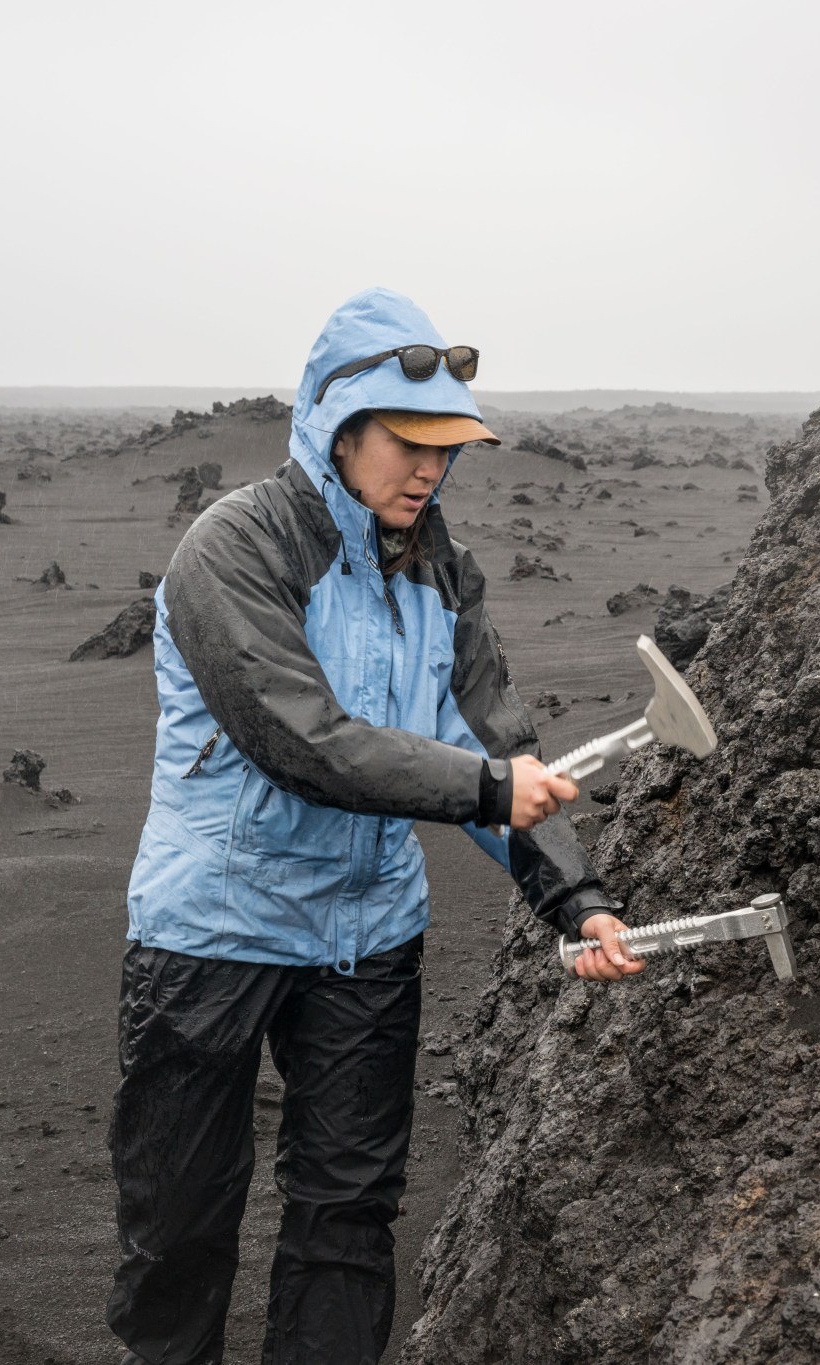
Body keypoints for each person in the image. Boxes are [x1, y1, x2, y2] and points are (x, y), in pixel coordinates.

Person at [109, 286, 643, 1365]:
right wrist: (489, 789)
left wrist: (575, 898)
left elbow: (498, 749)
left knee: (347, 1220)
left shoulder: (441, 571)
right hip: (210, 932)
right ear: (336, 428)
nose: (430, 469)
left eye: (448, 449)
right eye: (408, 443)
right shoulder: (235, 549)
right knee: (179, 1228)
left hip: (364, 941)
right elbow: (299, 741)